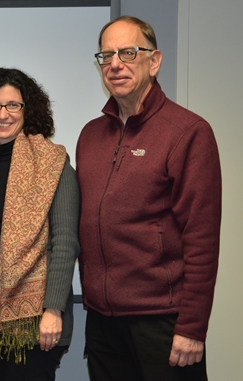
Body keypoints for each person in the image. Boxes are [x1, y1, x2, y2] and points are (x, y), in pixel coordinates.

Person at [77, 16, 221, 381]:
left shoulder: (188, 132)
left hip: (163, 322)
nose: (115, 64)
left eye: (128, 52)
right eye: (106, 55)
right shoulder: (90, 136)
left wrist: (192, 327)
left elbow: (202, 239)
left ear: (154, 61)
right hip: (102, 324)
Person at [0, 68, 80, 380]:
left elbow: (65, 243)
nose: (3, 114)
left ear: (29, 110)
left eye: (13, 105)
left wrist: (53, 310)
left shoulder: (54, 163)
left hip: (37, 319)